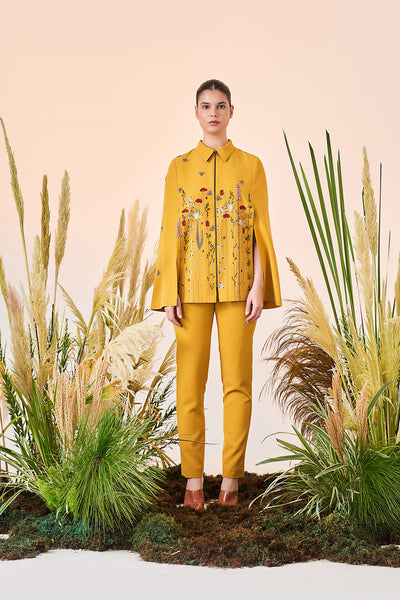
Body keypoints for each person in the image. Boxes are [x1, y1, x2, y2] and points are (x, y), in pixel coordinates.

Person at [151, 79, 281, 510]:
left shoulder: (251, 166)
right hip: (189, 292)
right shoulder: (179, 167)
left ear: (231, 111)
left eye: (220, 105)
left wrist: (258, 285)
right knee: (189, 386)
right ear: (196, 112)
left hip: (240, 291)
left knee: (237, 384)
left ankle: (230, 483)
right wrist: (168, 291)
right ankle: (192, 484)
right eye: (206, 106)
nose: (213, 113)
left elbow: (261, 233)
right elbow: (169, 233)